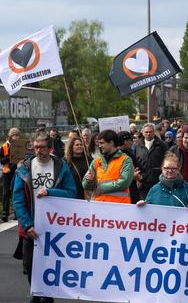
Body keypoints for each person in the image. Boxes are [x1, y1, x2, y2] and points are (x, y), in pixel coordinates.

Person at [13, 131, 78, 303]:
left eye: (42, 147)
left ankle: (45, 294)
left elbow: (72, 194)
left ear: (50, 148)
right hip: (30, 225)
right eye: (35, 147)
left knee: (50, 264)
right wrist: (27, 225)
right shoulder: (23, 169)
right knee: (29, 264)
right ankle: (37, 291)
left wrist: (51, 192)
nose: (38, 151)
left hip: (54, 226)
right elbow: (17, 200)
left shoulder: (61, 167)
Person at [82, 130, 135, 203]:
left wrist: (101, 188)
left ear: (111, 142)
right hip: (99, 206)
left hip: (119, 206)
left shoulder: (126, 160)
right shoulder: (96, 161)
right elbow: (85, 184)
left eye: (102, 143)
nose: (99, 146)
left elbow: (124, 183)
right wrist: (89, 181)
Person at [134, 123, 169, 199]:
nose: (148, 134)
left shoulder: (162, 145)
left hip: (158, 181)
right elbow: (134, 162)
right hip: (142, 182)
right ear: (143, 133)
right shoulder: (137, 145)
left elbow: (167, 160)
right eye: (146, 132)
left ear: (154, 132)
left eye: (150, 132)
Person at [1, 127, 21, 222]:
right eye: (15, 135)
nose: (16, 137)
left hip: (16, 172)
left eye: (18, 135)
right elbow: (1, 160)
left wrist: (11, 167)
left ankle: (17, 213)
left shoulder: (20, 146)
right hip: (6, 173)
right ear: (10, 136)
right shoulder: (4, 146)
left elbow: (19, 160)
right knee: (6, 193)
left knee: (15, 192)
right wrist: (10, 157)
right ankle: (5, 213)